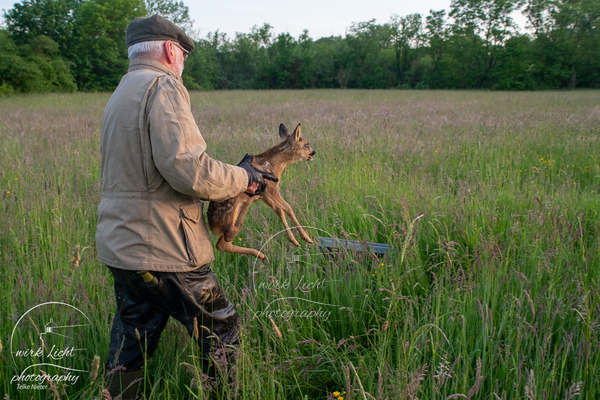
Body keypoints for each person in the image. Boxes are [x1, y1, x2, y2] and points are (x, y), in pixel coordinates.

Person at [96, 15, 275, 399]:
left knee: (132, 338)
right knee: (222, 327)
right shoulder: (163, 85)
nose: (183, 66)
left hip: (121, 246)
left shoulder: (122, 91)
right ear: (170, 49)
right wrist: (246, 177)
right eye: (183, 56)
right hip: (165, 248)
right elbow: (189, 170)